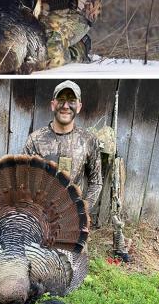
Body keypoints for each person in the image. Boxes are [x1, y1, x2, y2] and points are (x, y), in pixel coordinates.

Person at [23, 81, 102, 209]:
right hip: (40, 215)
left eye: (71, 101)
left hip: (73, 219)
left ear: (79, 106)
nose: (65, 106)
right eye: (61, 100)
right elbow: (24, 179)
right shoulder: (35, 139)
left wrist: (83, 209)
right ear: (53, 105)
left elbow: (96, 181)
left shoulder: (89, 140)